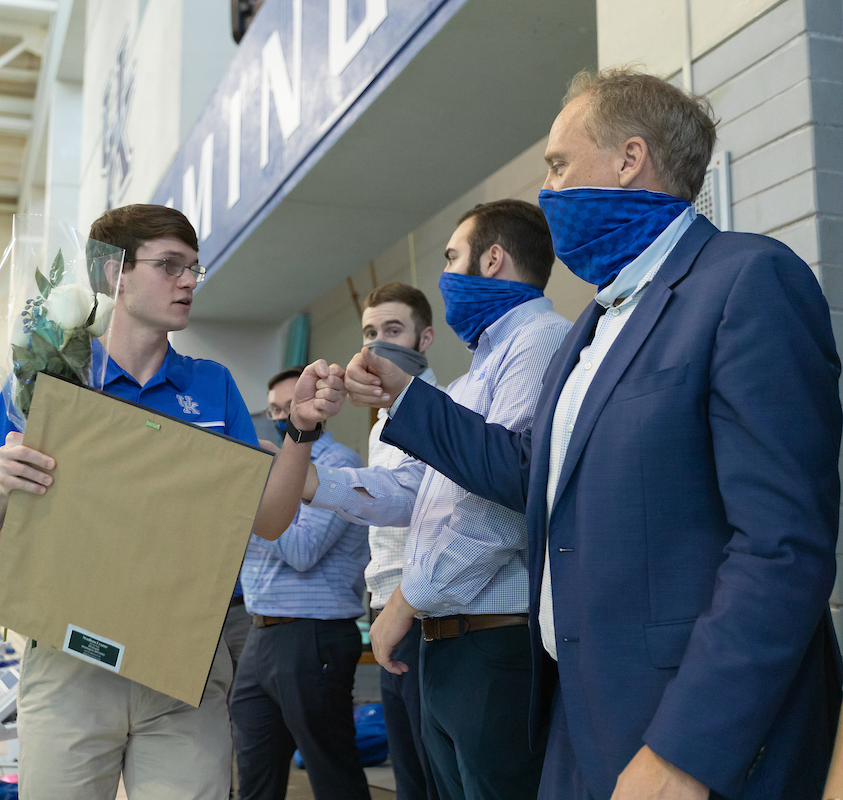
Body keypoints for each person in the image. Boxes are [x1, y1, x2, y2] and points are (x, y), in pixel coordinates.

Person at [345, 68, 843, 800]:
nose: (547, 192)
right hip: (580, 719)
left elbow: (782, 547)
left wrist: (688, 751)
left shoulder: (747, 281)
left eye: (557, 164)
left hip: (691, 736)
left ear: (629, 159)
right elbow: (529, 477)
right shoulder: (592, 326)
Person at [0, 204, 260, 800]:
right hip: (70, 663)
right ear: (112, 274)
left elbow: (256, 517)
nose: (189, 281)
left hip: (181, 664)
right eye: (170, 265)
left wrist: (298, 436)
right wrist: (3, 482)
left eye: (195, 268)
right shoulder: (46, 382)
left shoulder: (213, 387)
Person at [270, 201, 571, 800]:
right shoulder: (477, 373)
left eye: (453, 258)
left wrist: (407, 599)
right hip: (450, 637)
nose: (447, 276)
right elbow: (417, 492)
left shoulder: (537, 342)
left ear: (493, 259)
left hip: (491, 634)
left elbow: (503, 502)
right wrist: (311, 482)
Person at [230, 367, 371, 800]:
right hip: (261, 631)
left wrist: (252, 498)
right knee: (255, 776)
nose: (280, 416)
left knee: (331, 772)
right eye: (274, 410)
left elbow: (304, 549)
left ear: (316, 406)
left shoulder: (336, 463)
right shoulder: (268, 467)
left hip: (312, 633)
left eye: (288, 407)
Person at [359, 282, 439, 800]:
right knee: (408, 775)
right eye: (370, 332)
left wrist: (321, 486)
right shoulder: (379, 423)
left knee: (434, 779)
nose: (379, 341)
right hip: (383, 608)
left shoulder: (445, 407)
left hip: (422, 611)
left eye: (393, 330)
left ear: (423, 338)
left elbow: (413, 504)